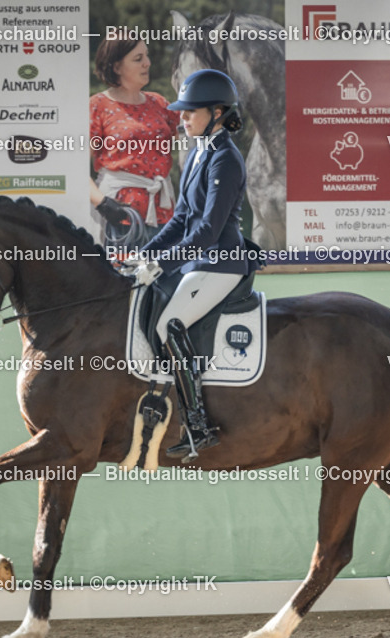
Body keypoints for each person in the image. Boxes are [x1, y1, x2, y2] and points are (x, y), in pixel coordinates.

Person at [130, 69, 262, 461]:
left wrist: (164, 263)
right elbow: (179, 220)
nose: (182, 118)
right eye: (182, 112)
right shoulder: (197, 154)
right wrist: (148, 254)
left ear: (217, 112)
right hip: (199, 264)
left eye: (191, 112)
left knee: (168, 325)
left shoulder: (226, 159)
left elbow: (206, 231)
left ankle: (199, 424)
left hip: (222, 263)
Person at [89, 39, 180, 247]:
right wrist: (102, 204)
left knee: (165, 278)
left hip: (164, 214)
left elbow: (194, 135)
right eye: (138, 59)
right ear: (116, 66)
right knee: (123, 278)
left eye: (146, 56)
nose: (147, 63)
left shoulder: (159, 103)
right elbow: (76, 170)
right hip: (120, 213)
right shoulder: (97, 105)